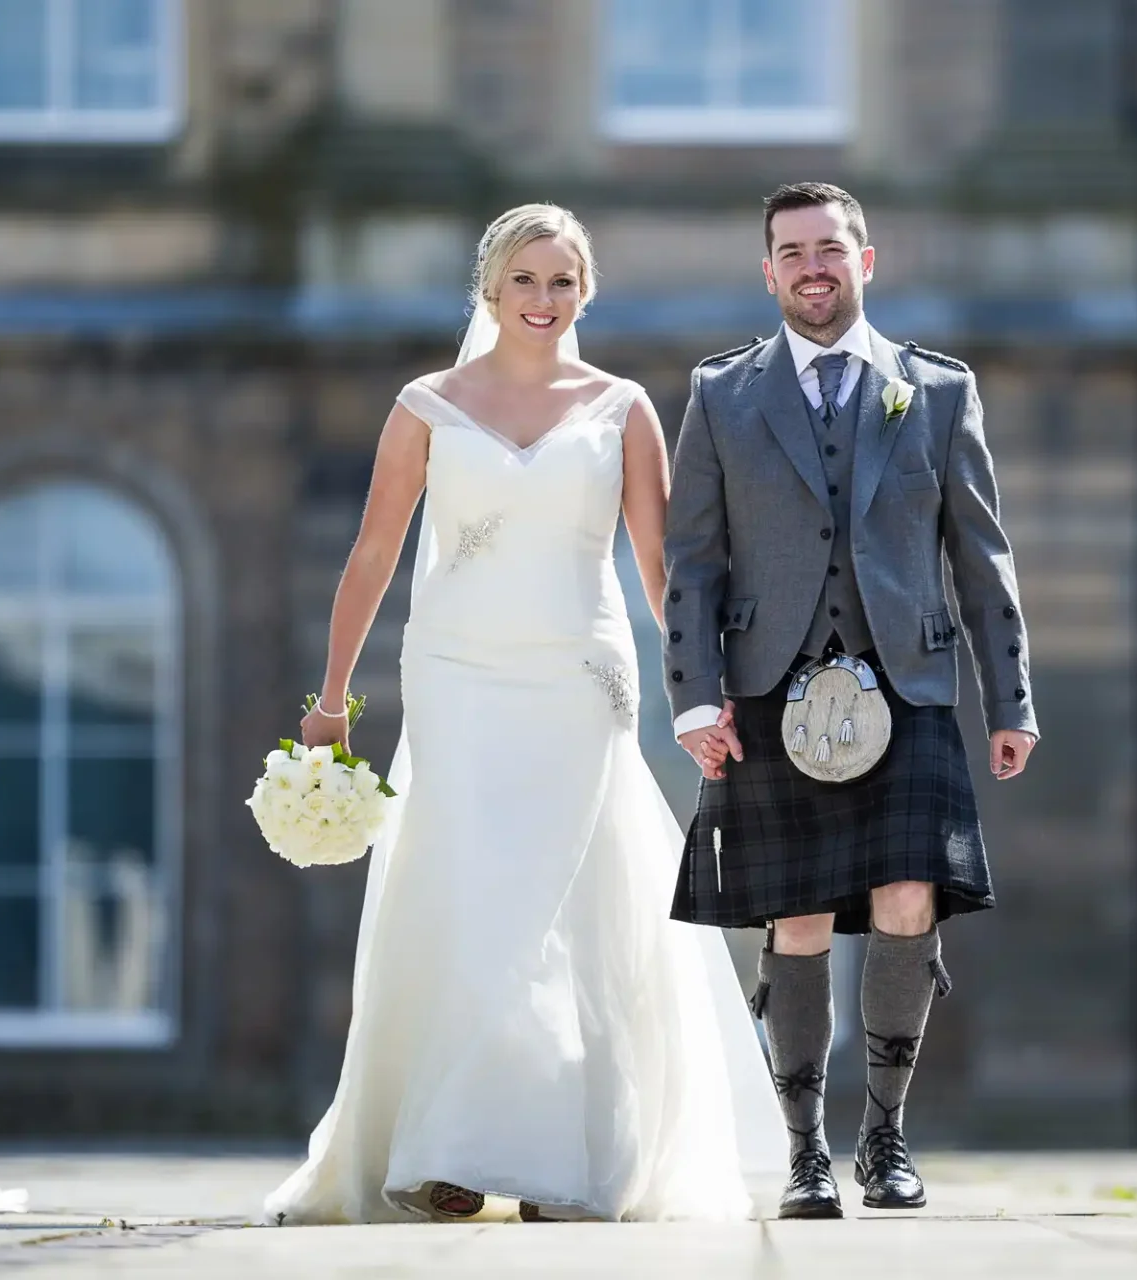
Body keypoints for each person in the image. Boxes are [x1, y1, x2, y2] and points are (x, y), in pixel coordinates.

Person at [264, 204, 784, 1226]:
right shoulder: (426, 405)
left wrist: (697, 693)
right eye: (525, 282)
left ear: (584, 293)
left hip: (578, 682)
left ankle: (564, 1153)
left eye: (563, 282)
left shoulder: (623, 407)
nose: (544, 301)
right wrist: (330, 702)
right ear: (490, 292)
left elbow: (660, 564)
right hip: (457, 674)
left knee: (558, 902)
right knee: (467, 893)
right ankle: (449, 1147)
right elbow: (373, 554)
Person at [662, 182, 1039, 1220]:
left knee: (910, 900)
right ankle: (803, 1154)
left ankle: (885, 1135)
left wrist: (1010, 699)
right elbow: (690, 558)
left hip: (908, 683)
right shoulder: (723, 394)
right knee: (795, 916)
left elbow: (982, 553)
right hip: (772, 685)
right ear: (769, 270)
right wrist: (695, 696)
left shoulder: (937, 387)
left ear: (865, 262)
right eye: (791, 252)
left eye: (830, 248)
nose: (812, 266)